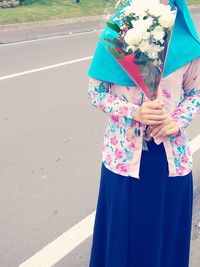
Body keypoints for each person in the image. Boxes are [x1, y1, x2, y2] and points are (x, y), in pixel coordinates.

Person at [87, 0, 200, 266]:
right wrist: (133, 111)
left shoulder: (184, 38)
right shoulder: (118, 33)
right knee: (124, 243)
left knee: (164, 241)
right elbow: (95, 93)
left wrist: (177, 120)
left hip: (171, 162)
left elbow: (195, 92)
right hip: (124, 162)